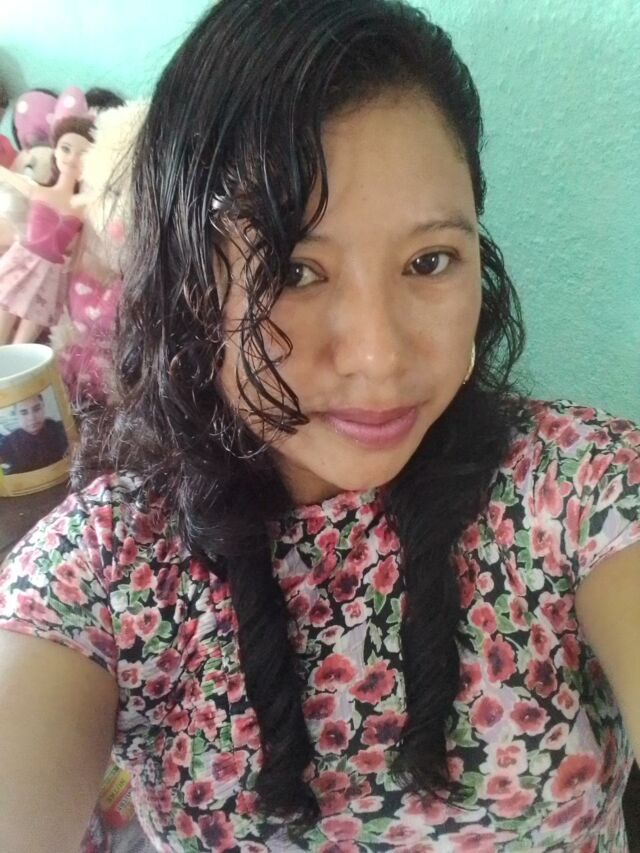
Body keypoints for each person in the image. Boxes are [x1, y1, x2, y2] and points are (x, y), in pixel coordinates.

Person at [0, 1, 638, 851]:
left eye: (429, 261)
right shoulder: (110, 568)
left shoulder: (582, 493)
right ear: (191, 286)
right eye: (295, 270)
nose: (379, 357)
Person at [0, 114, 93, 344]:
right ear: (55, 151)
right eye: (66, 149)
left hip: (50, 276)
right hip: (20, 263)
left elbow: (80, 252)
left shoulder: (84, 208)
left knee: (23, 347)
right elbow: (6, 175)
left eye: (83, 153)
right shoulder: (37, 190)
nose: (72, 158)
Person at [0, 393, 68, 474]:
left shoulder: (60, 429)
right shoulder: (8, 442)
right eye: (24, 413)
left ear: (43, 407)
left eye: (37, 409)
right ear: (16, 414)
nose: (32, 418)